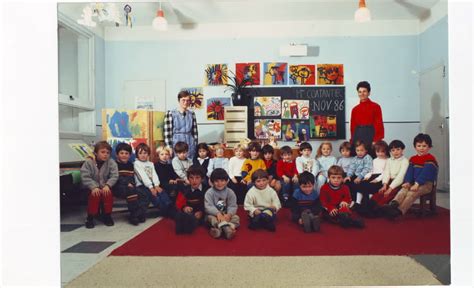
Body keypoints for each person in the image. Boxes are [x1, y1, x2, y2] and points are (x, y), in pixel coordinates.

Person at [380, 134, 438, 219]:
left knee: (411, 193)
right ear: (415, 147)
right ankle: (393, 205)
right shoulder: (413, 159)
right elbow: (409, 172)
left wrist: (417, 184)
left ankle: (399, 211)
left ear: (429, 147)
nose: (421, 148)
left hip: (426, 184)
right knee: (403, 190)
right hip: (413, 183)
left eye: (424, 146)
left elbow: (425, 173)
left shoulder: (430, 159)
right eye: (419, 146)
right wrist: (407, 182)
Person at [364, 140, 409, 217]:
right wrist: (384, 185)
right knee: (379, 193)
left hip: (397, 183)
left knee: (387, 195)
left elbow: (400, 176)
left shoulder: (405, 161)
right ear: (390, 151)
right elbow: (386, 173)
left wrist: (390, 188)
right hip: (388, 182)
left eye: (398, 149)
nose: (395, 152)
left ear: (402, 150)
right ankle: (370, 207)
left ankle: (378, 210)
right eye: (393, 150)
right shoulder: (389, 160)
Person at [80, 141, 118, 228]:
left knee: (107, 194)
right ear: (96, 153)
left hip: (105, 186)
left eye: (108, 153)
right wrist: (93, 187)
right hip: (91, 188)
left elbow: (114, 175)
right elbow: (85, 176)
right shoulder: (89, 163)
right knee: (95, 195)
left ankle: (107, 215)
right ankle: (90, 217)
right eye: (102, 152)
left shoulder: (111, 162)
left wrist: (108, 185)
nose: (105, 155)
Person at [134, 143, 174, 220]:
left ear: (148, 154)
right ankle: (165, 211)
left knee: (162, 193)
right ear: (137, 154)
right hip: (142, 186)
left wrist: (156, 185)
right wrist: (151, 188)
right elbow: (143, 177)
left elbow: (155, 175)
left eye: (145, 153)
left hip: (152, 185)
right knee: (155, 197)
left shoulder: (151, 164)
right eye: (140, 153)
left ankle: (169, 209)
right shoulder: (137, 163)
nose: (143, 155)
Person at [113, 142, 147, 226]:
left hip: (131, 186)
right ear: (117, 154)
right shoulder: (114, 165)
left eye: (126, 153)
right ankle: (133, 216)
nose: (124, 155)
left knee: (143, 193)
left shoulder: (131, 165)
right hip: (118, 187)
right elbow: (115, 177)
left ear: (129, 155)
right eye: (121, 153)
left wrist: (131, 183)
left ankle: (139, 213)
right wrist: (127, 183)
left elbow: (133, 177)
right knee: (131, 192)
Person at [350, 81, 384, 156]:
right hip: (358, 136)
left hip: (370, 135)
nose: (362, 94)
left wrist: (376, 140)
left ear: (369, 93)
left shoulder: (376, 107)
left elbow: (379, 124)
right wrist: (352, 141)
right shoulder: (354, 109)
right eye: (360, 92)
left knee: (371, 157)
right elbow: (353, 127)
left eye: (364, 91)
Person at [204, 168, 240, 240]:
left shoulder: (230, 192)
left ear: (227, 181)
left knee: (236, 218)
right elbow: (208, 206)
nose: (220, 183)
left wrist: (229, 214)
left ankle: (219, 230)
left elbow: (232, 206)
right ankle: (227, 229)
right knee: (210, 218)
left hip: (226, 215)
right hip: (214, 215)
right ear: (212, 182)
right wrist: (218, 214)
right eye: (216, 181)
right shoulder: (209, 192)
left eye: (222, 181)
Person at [174, 165, 209, 234]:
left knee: (205, 219)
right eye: (191, 178)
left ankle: (188, 225)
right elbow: (179, 203)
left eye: (197, 178)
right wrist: (184, 208)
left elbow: (210, 204)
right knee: (179, 215)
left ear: (202, 179)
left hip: (203, 213)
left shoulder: (207, 190)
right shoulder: (185, 189)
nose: (194, 181)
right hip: (190, 213)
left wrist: (202, 212)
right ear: (188, 179)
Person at [164, 90, 198, 159]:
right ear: (179, 100)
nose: (186, 102)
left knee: (189, 164)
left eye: (188, 100)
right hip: (176, 142)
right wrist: (168, 147)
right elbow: (167, 133)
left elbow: (195, 133)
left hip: (190, 143)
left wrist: (195, 146)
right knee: (177, 163)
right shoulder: (170, 113)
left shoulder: (192, 114)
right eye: (183, 100)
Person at [357, 140, 389, 213]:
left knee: (371, 187)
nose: (380, 154)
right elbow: (371, 170)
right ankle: (358, 203)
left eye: (382, 152)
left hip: (381, 178)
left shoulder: (388, 160)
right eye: (378, 152)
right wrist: (367, 175)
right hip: (372, 176)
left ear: (386, 151)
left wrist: (377, 179)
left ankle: (368, 204)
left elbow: (386, 172)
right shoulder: (374, 160)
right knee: (361, 184)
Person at [343, 141, 373, 209]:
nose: (359, 152)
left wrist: (360, 177)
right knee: (347, 183)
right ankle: (351, 200)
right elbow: (351, 168)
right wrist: (348, 176)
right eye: (357, 150)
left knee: (359, 185)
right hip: (355, 175)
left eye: (362, 150)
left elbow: (367, 168)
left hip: (364, 176)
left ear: (366, 150)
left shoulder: (367, 157)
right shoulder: (355, 158)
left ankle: (358, 202)